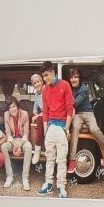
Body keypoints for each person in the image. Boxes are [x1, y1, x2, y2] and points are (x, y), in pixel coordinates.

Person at [36, 64, 74, 198]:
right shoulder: (45, 90)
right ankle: (48, 184)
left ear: (53, 72)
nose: (45, 79)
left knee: (61, 159)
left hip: (62, 126)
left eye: (46, 75)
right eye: (43, 76)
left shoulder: (65, 85)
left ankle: (61, 187)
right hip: (51, 128)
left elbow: (70, 108)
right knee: (49, 158)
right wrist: (46, 130)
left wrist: (67, 128)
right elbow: (45, 111)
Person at [66, 67, 104, 165]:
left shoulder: (84, 88)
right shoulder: (69, 88)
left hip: (88, 112)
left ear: (79, 78)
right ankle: (72, 159)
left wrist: (67, 93)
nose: (73, 79)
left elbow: (74, 103)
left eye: (75, 77)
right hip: (77, 114)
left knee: (94, 129)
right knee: (75, 128)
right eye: (71, 77)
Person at [0, 100, 33, 191]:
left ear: (17, 107)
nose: (12, 109)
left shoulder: (25, 114)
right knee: (3, 147)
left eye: (14, 106)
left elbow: (26, 133)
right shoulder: (6, 115)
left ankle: (25, 178)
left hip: (23, 140)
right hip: (12, 140)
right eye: (10, 107)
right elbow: (8, 134)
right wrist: (15, 145)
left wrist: (19, 145)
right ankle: (9, 176)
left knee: (29, 147)